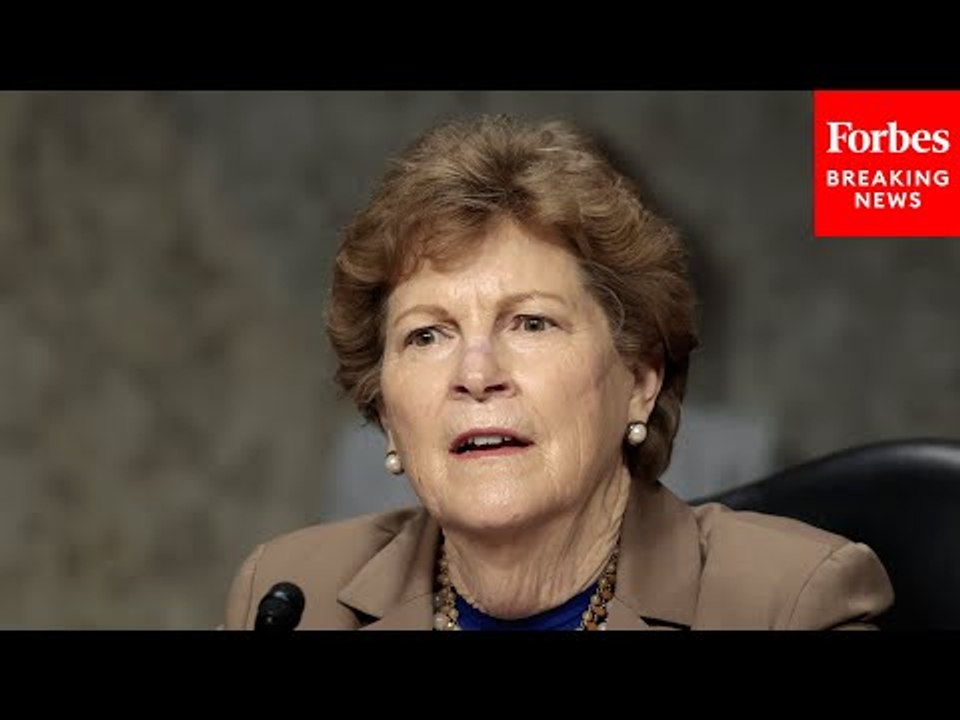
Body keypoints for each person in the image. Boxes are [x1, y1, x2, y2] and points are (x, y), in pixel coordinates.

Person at [222, 115, 893, 630]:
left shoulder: (791, 602)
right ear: (386, 411)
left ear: (639, 378)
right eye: (427, 335)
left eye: (531, 323)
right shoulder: (291, 595)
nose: (476, 373)